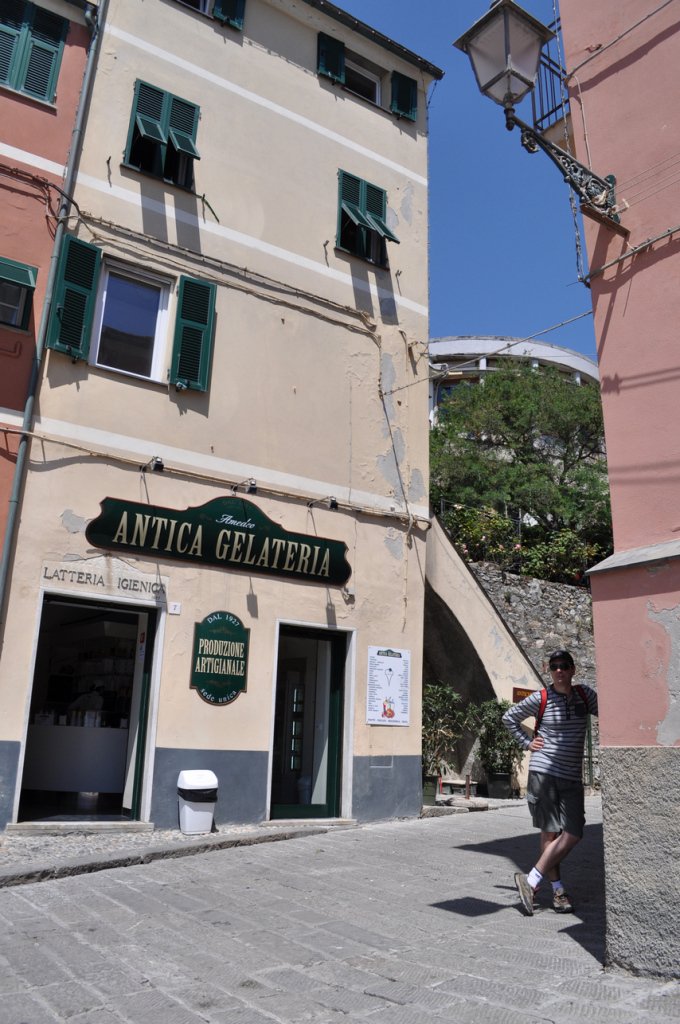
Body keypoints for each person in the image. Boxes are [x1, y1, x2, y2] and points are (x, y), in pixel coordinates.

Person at [502, 650, 598, 916]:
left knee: (574, 832)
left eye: (564, 666)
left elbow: (612, 711)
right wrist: (527, 742)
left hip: (571, 776)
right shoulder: (541, 698)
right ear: (549, 670)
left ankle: (531, 880)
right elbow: (509, 718)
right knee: (550, 834)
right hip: (543, 773)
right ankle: (558, 892)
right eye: (554, 666)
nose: (559, 671)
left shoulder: (585, 696)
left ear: (572, 669)